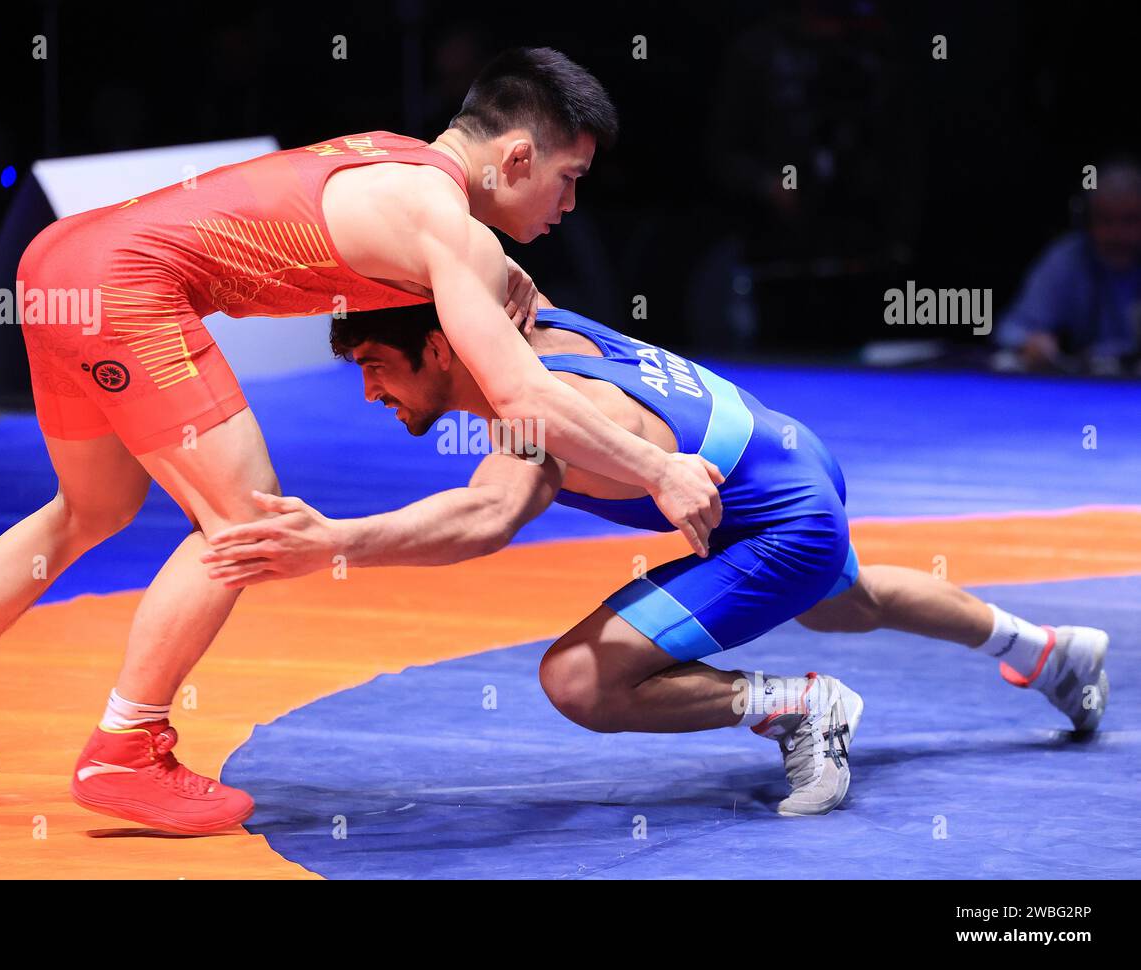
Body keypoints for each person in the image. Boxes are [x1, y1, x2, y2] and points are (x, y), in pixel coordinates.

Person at [0, 49, 723, 835]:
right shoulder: (453, 229)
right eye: (567, 180)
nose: (570, 206)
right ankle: (127, 744)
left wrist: (493, 268)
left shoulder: (393, 155)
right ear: (518, 158)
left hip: (58, 261)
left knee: (94, 505)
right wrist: (659, 469)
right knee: (245, 523)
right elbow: (523, 393)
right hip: (126, 286)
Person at [202, 298, 1111, 816]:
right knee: (848, 599)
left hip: (777, 517)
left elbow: (485, 517)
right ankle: (1047, 650)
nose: (366, 390)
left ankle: (799, 709)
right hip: (789, 453)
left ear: (438, 347)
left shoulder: (540, 403)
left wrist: (334, 542)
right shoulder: (528, 314)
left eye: (374, 363)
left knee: (579, 681)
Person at [996, 158, 1141, 374]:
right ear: (1087, 222)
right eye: (1105, 220)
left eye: (1130, 220)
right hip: (1083, 394)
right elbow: (1010, 328)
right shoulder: (1068, 260)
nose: (1117, 234)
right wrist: (1031, 343)